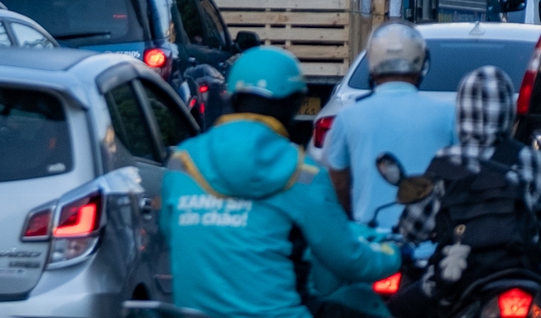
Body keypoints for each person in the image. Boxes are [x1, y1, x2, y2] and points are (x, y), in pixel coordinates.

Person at [162, 45, 401, 318]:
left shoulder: (181, 162)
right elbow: (350, 261)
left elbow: (171, 236)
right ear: (294, 105)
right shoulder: (302, 173)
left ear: (233, 97)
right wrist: (395, 254)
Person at [396, 66, 541, 318]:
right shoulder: (530, 160)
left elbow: (413, 227)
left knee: (394, 311)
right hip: (526, 272)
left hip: (455, 275)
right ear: (507, 111)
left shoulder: (443, 162)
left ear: (462, 110)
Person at [324, 23, 456, 229]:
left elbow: (337, 183)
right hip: (432, 245)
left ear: (373, 65)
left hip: (370, 245)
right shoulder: (448, 114)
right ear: (421, 64)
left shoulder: (348, 116)